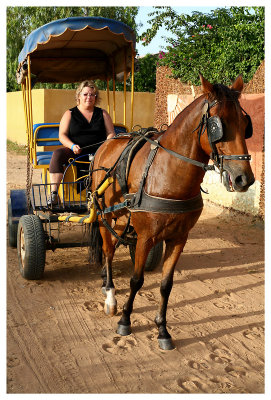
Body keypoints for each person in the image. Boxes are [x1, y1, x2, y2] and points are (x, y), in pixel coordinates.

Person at [48, 80, 115, 205]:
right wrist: (72, 146)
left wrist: (106, 145)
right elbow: (62, 135)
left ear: (96, 97)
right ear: (79, 96)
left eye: (92, 95)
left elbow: (111, 133)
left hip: (100, 153)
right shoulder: (70, 114)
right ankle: (54, 194)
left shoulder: (103, 113)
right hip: (76, 152)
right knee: (57, 154)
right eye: (85, 94)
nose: (89, 97)